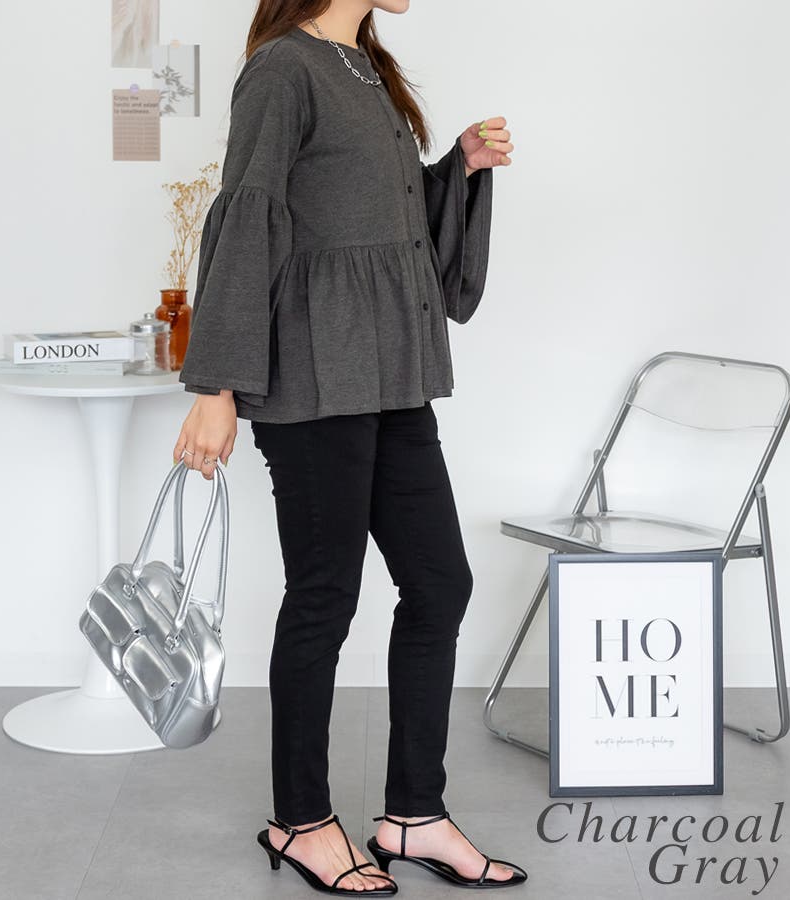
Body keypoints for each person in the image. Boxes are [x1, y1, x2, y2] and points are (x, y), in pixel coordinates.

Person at [172, 1, 525, 894]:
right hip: (316, 375)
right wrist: (216, 387)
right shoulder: (282, 70)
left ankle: (413, 815)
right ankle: (299, 820)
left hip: (394, 372)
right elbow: (245, 217)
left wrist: (456, 168)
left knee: (439, 583)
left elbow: (380, 218)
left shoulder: (367, 67)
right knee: (325, 598)